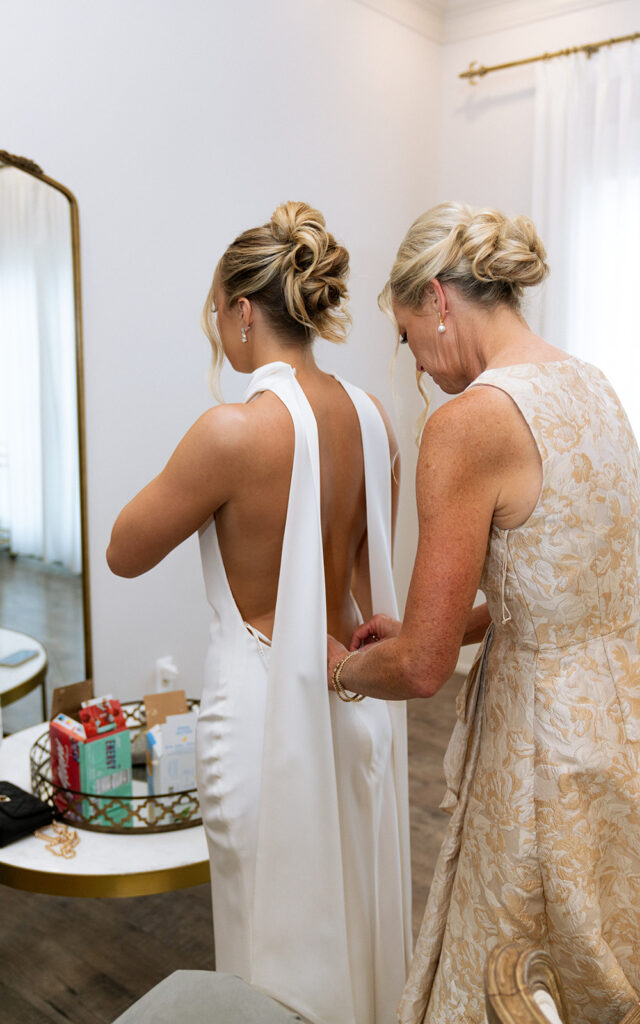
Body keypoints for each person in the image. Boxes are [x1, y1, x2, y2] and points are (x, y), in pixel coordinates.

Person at [327, 201, 640, 1024]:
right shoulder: (592, 385)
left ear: (436, 302)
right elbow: (567, 585)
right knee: (618, 971)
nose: (415, 365)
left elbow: (419, 670)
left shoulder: (468, 424)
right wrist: (454, 623)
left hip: (545, 756)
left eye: (406, 336)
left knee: (515, 981)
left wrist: (331, 671)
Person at [107, 201, 412, 1024]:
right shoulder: (372, 418)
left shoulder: (231, 433)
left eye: (217, 309)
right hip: (353, 694)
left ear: (244, 310)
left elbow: (122, 551)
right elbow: (355, 576)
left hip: (261, 707)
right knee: (349, 915)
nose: (217, 327)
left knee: (266, 944)